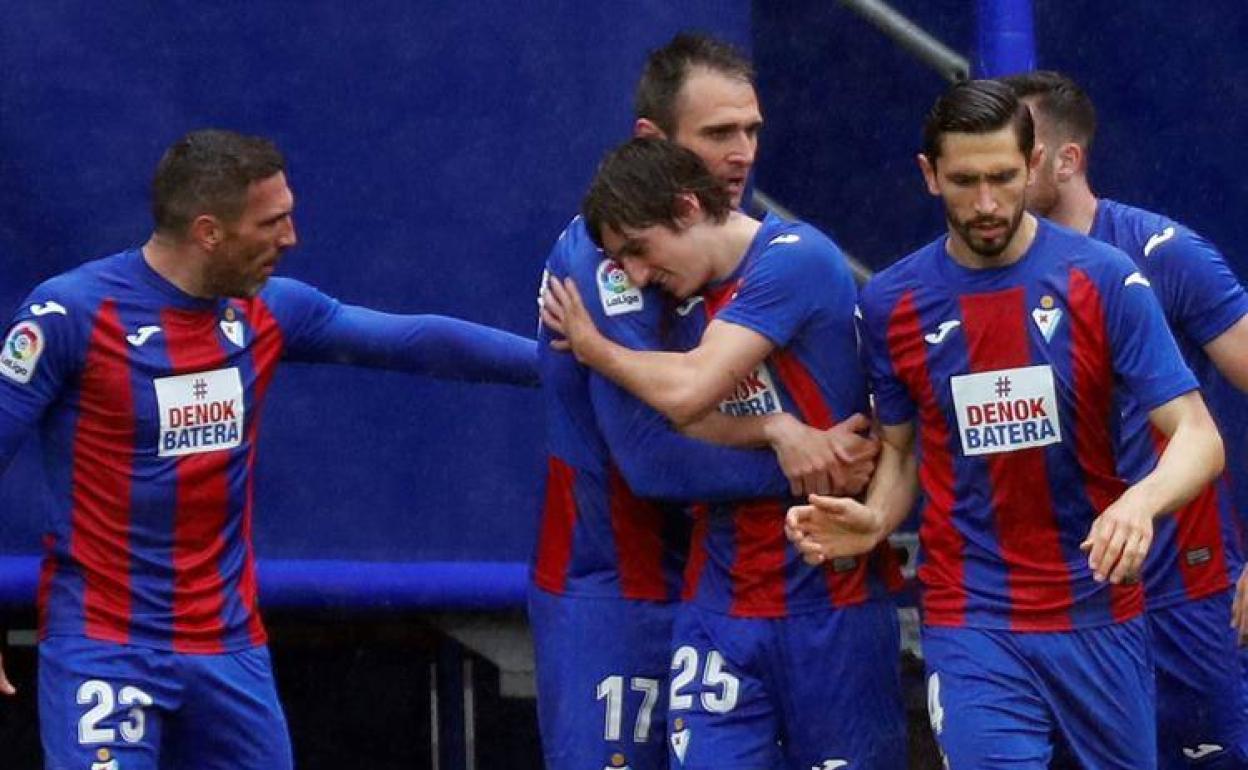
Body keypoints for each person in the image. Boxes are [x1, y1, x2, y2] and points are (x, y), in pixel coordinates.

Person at [0, 129, 538, 768]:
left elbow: (416, 341)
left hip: (230, 654)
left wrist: (568, 365)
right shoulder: (70, 316)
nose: (291, 239)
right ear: (209, 232)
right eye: (273, 222)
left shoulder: (271, 311)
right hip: (103, 647)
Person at [785, 80, 1225, 769]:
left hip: (1097, 611)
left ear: (1035, 163)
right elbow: (901, 454)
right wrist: (873, 522)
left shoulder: (1102, 279)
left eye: (1003, 177)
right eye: (965, 181)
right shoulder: (891, 302)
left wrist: (1141, 500)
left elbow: (1198, 434)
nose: (986, 203)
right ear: (929, 175)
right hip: (972, 615)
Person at [532, 34, 879, 770]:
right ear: (655, 145)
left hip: (753, 582)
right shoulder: (612, 260)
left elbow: (690, 396)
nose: (743, 153)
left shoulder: (762, 263)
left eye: (751, 129)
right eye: (717, 134)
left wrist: (826, 453)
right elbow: (654, 457)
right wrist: (803, 453)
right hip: (621, 585)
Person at [1001, 69, 1248, 769]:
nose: (993, 177)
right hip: (1049, 603)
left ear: (1066, 160)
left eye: (1016, 152)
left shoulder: (1165, 255)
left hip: (1183, 593)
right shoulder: (977, 276)